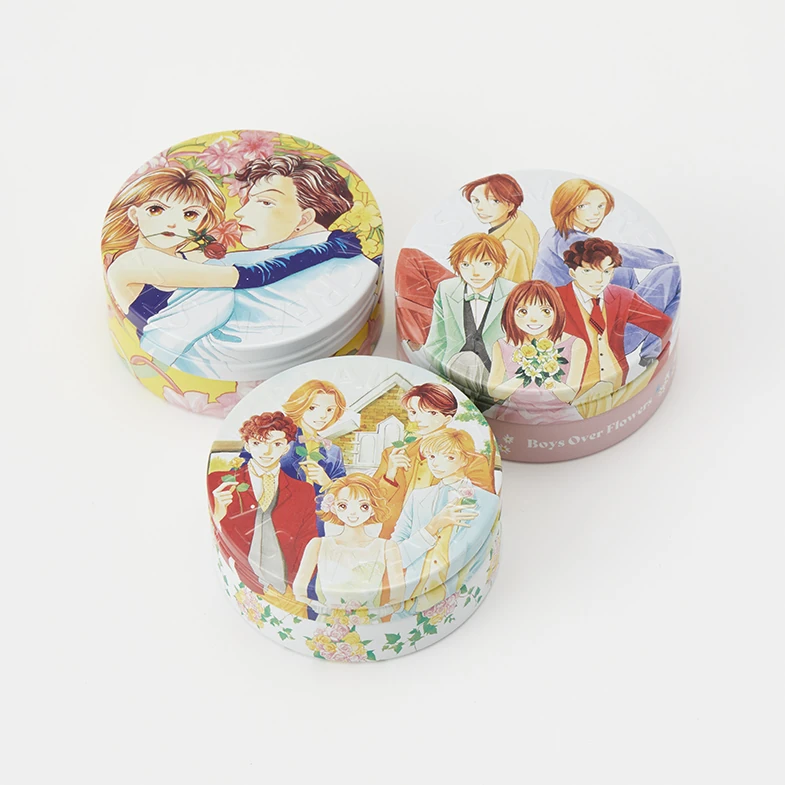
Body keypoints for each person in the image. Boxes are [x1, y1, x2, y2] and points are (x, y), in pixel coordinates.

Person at [136, 154, 380, 378]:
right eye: (248, 201)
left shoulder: (228, 268)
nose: (240, 213)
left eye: (264, 202)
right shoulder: (365, 266)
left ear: (304, 218)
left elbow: (156, 351)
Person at [102, 164, 363, 336]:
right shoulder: (136, 261)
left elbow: (255, 258)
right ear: (134, 214)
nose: (172, 223)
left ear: (202, 222)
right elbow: (252, 275)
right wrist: (326, 249)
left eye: (190, 214)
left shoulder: (186, 258)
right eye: (156, 209)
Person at [533, 177, 680, 359]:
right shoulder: (566, 239)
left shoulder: (559, 236)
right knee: (672, 272)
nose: (595, 213)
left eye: (601, 206)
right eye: (583, 206)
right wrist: (664, 259)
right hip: (590, 338)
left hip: (605, 328)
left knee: (621, 269)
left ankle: (653, 352)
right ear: (566, 206)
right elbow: (620, 253)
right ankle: (652, 351)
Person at [208, 411, 317, 616]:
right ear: (248, 445)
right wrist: (219, 512)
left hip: (289, 593)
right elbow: (221, 533)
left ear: (286, 448)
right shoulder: (219, 482)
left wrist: (297, 585)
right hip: (246, 582)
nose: (266, 451)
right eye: (258, 443)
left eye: (276, 444)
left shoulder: (302, 492)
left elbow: (308, 542)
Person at [556, 237, 672, 416]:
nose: (598, 279)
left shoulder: (622, 297)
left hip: (617, 389)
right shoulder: (554, 300)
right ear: (573, 273)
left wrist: (658, 359)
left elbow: (663, 325)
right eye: (588, 271)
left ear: (612, 274)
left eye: (605, 271)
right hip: (570, 396)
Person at [391, 429, 500, 611]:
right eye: (432, 456)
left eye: (449, 457)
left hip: (459, 594)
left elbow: (478, 552)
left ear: (465, 459)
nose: (436, 464)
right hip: (411, 594)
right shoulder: (418, 498)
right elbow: (395, 554)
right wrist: (432, 527)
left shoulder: (487, 501)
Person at [374, 383, 495, 538]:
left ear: (447, 418)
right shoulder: (393, 454)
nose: (418, 419)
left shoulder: (470, 460)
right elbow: (370, 504)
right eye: (413, 412)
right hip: (392, 538)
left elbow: (483, 510)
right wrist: (390, 475)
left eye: (431, 413)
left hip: (446, 539)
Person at [292, 475, 404, 617]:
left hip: (371, 623)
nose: (352, 513)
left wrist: (374, 614)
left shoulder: (388, 548)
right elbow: (299, 591)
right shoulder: (318, 545)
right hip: (327, 623)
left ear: (373, 509)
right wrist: (319, 607)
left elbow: (398, 597)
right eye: (343, 506)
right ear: (333, 508)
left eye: (363, 506)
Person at [423, 234, 514, 404]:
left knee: (470, 362)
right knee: (467, 360)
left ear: (498, 265)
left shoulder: (513, 293)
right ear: (457, 266)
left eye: (486, 264)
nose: (475, 273)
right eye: (466, 265)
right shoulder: (446, 289)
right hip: (452, 370)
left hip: (496, 376)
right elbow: (436, 340)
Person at [486, 280, 586, 425]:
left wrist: (546, 376)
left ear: (557, 311)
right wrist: (525, 374)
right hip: (514, 413)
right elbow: (494, 392)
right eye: (523, 311)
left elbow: (569, 396)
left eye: (545, 311)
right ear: (510, 312)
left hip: (559, 415)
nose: (533, 319)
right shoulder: (502, 345)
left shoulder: (575, 344)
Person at [462, 173, 539, 283]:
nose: (480, 208)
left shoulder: (508, 246)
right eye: (476, 201)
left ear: (510, 205)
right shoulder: (518, 218)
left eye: (494, 201)